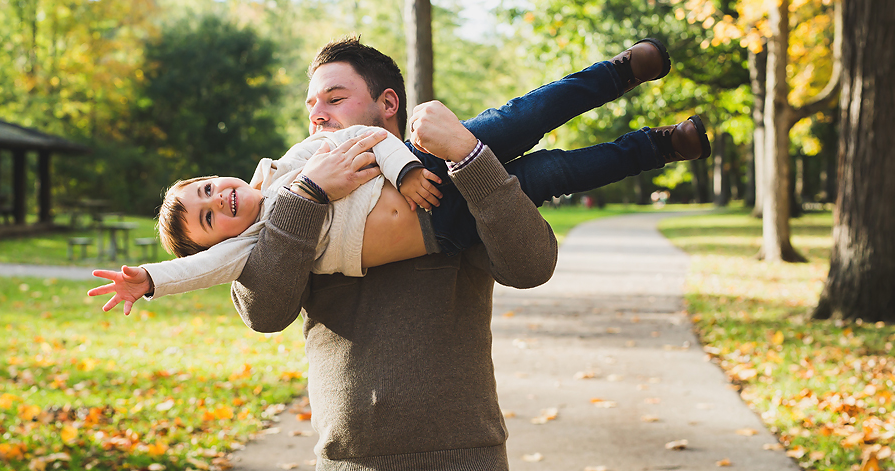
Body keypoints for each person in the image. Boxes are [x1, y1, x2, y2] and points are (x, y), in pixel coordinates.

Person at [90, 36, 702, 471]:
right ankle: (657, 139)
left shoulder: (378, 152)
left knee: (543, 140)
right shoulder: (285, 205)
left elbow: (531, 263)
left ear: (387, 104)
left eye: (334, 97)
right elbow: (264, 309)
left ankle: (641, 110)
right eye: (311, 105)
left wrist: (465, 156)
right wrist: (306, 196)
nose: (318, 114)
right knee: (552, 165)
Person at [89, 38, 708, 307]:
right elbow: (202, 269)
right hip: (447, 226)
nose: (215, 201)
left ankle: (620, 71)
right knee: (558, 171)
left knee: (530, 114)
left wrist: (409, 169)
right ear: (223, 242)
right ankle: (657, 146)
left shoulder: (297, 158)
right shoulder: (258, 249)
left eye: (205, 189)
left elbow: (362, 137)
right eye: (206, 219)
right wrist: (148, 279)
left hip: (429, 166)